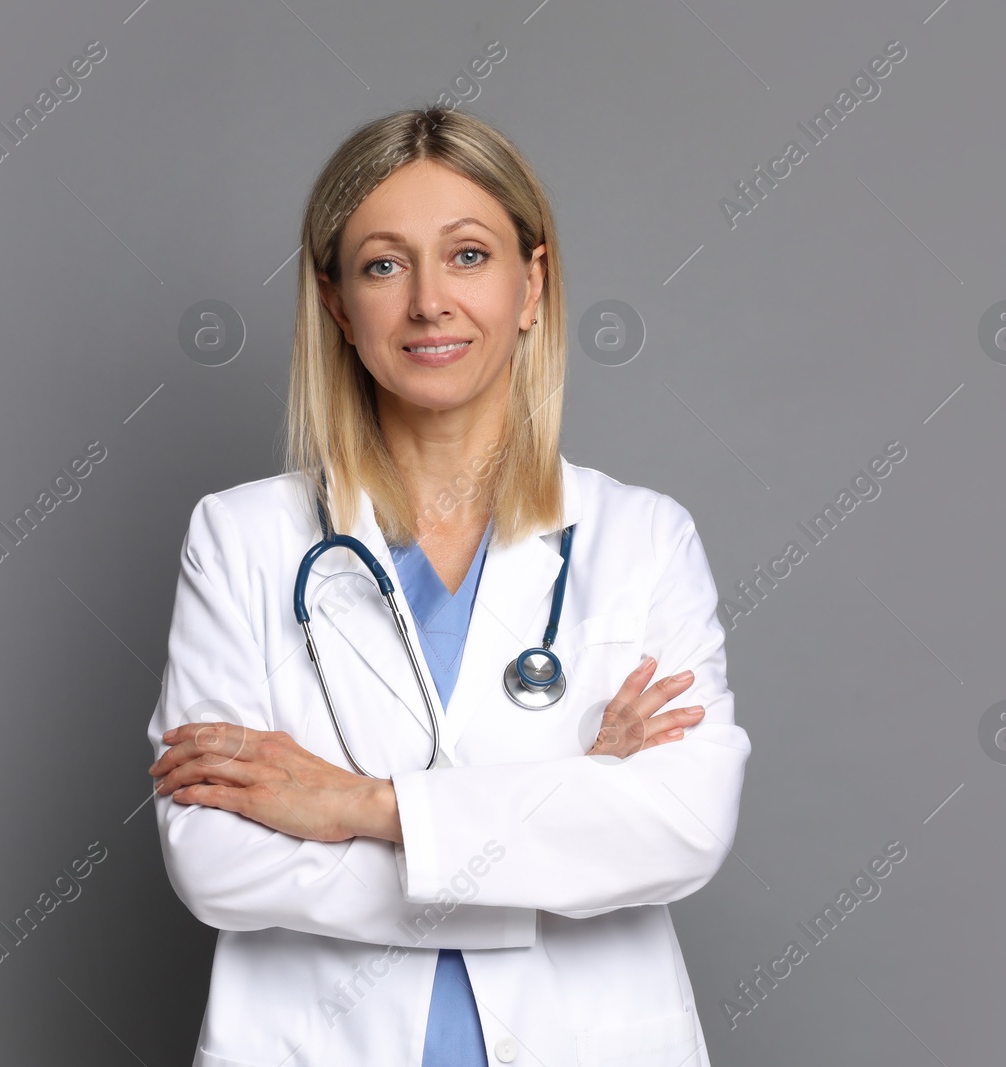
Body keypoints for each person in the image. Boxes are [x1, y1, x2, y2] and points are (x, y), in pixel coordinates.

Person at [147, 106, 751, 1067]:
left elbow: (680, 826)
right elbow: (216, 862)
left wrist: (362, 805)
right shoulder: (242, 538)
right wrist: (568, 807)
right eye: (385, 264)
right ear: (338, 304)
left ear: (532, 286)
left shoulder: (642, 538)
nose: (430, 301)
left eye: (467, 255)